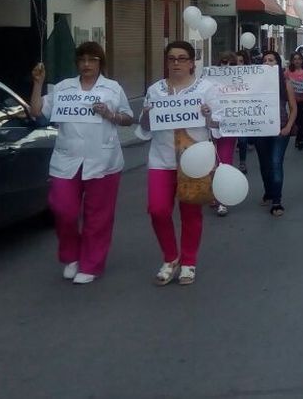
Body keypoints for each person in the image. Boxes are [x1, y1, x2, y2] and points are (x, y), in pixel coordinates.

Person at [30, 42, 133, 285]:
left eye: (93, 60)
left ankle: (92, 263)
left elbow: (128, 118)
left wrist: (111, 115)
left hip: (103, 159)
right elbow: (37, 111)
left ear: (100, 63)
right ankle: (71, 256)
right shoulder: (64, 87)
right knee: (63, 209)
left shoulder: (112, 88)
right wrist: (37, 82)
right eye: (83, 60)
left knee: (98, 216)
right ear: (77, 62)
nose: (87, 65)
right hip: (67, 159)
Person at [136, 41, 219, 286]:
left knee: (190, 211)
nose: (176, 63)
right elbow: (144, 127)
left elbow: (219, 124)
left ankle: (189, 262)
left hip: (194, 159)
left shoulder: (206, 89)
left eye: (182, 58)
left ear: (192, 62)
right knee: (158, 210)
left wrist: (208, 116)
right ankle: (171, 257)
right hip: (161, 159)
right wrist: (148, 115)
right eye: (172, 58)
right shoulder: (156, 90)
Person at [254, 50, 298, 215]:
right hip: (259, 129)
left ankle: (277, 201)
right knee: (265, 165)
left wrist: (288, 127)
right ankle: (269, 191)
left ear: (278, 64)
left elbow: (293, 108)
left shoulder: (285, 83)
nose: (267, 62)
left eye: (271, 60)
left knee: (275, 163)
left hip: (280, 129)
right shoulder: (254, 84)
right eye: (265, 60)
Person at [209, 51, 243, 217]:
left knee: (225, 161)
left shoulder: (243, 82)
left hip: (230, 127)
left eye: (232, 64)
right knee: (211, 163)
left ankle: (223, 200)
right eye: (224, 62)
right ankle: (215, 193)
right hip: (210, 126)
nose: (227, 67)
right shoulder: (208, 81)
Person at [286, 52, 303, 151]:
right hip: (293, 100)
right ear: (292, 61)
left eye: (299, 59)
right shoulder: (288, 72)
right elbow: (284, 82)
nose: (297, 61)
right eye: (295, 59)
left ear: (302, 60)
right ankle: (297, 134)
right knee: (296, 119)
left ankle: (301, 139)